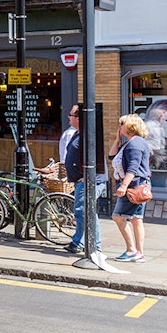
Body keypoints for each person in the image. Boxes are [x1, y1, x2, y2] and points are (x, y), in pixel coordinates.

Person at [111, 113, 152, 263]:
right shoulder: (132, 142)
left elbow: (133, 168)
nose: (119, 127)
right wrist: (117, 139)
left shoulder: (135, 144)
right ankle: (139, 253)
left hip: (133, 187)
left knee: (118, 217)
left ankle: (131, 250)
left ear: (130, 126)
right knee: (136, 219)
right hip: (139, 185)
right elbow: (112, 156)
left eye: (122, 124)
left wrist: (123, 186)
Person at [62, 104, 99, 255]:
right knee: (82, 212)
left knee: (85, 212)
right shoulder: (78, 133)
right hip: (79, 180)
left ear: (78, 118)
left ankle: (93, 245)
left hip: (86, 180)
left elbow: (96, 156)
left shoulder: (87, 134)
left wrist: (87, 176)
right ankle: (80, 242)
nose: (68, 117)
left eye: (71, 115)